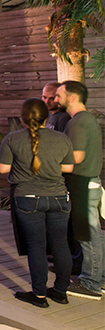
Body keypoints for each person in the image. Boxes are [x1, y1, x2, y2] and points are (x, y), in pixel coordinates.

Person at [0, 98, 75, 307]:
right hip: (59, 198)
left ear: (22, 118)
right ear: (46, 116)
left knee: (36, 246)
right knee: (61, 244)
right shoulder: (62, 139)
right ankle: (60, 292)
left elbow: (3, 169)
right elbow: (68, 169)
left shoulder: (12, 139)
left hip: (28, 198)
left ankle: (39, 295)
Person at [56, 81, 104, 301]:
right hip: (89, 183)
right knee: (92, 234)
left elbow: (76, 157)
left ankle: (90, 283)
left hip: (82, 184)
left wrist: (49, 163)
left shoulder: (78, 122)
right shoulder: (85, 120)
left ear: (72, 97)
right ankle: (98, 279)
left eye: (59, 95)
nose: (56, 99)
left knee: (88, 236)